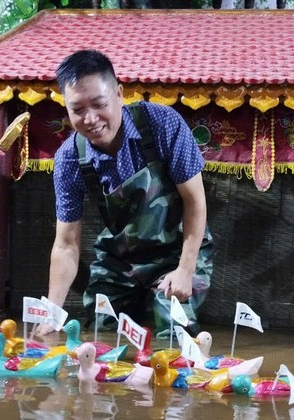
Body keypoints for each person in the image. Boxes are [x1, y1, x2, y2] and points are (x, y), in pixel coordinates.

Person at [36, 50, 213, 337]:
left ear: (119, 94)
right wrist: (52, 314)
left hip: (177, 250)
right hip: (121, 258)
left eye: (99, 104)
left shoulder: (162, 124)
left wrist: (185, 269)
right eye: (77, 110)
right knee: (101, 336)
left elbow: (195, 202)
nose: (90, 118)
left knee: (172, 332)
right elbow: (66, 244)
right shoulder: (69, 158)